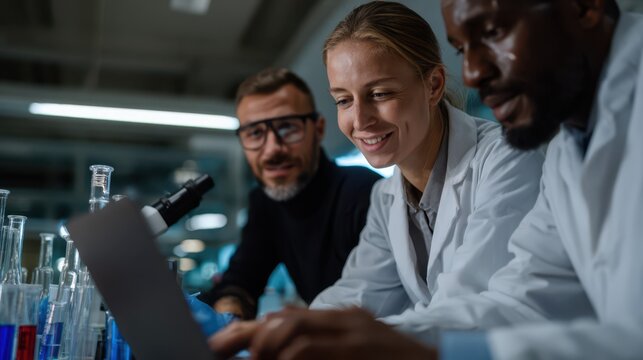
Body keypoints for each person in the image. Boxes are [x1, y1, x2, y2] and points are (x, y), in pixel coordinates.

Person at [210, 0, 643, 359]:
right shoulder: (571, 143)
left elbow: (485, 305)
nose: (473, 74)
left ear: (433, 85)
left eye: (380, 93)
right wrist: (286, 334)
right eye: (344, 100)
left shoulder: (514, 154)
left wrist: (395, 343)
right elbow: (526, 299)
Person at [198, 68, 381, 319]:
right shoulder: (266, 202)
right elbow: (241, 280)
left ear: (318, 129)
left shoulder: (367, 195)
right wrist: (230, 315)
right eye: (255, 133)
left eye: (287, 128)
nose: (272, 149)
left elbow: (375, 306)